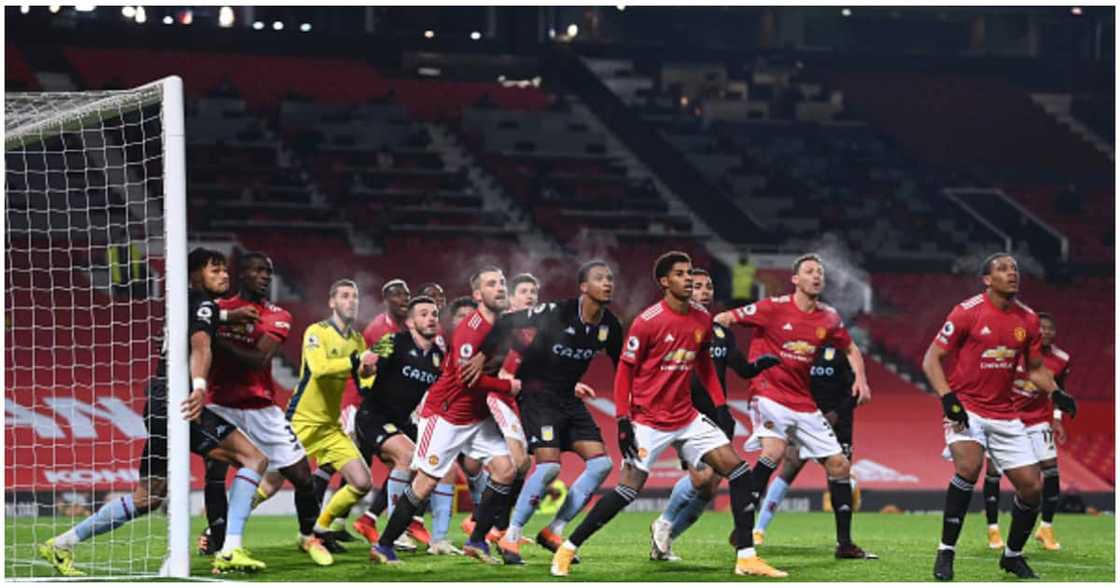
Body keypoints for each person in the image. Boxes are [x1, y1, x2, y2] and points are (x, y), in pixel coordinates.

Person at [551, 251, 785, 578]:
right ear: (664, 282)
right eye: (680, 274)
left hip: (686, 417)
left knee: (739, 472)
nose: (688, 279)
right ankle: (568, 547)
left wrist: (719, 406)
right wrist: (622, 421)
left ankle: (746, 557)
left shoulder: (702, 318)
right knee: (627, 490)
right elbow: (624, 373)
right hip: (649, 421)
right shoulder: (648, 323)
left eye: (690, 273)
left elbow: (703, 364)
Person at [39, 249, 269, 575]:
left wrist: (229, 317)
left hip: (158, 401)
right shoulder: (203, 305)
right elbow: (201, 343)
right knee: (254, 459)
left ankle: (60, 544)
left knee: (147, 498)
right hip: (180, 402)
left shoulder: (187, 303)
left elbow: (204, 320)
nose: (224, 276)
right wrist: (200, 385)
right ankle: (230, 548)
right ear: (194, 275)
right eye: (215, 270)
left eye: (224, 271)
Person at [922, 253, 1077, 581]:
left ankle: (1012, 555)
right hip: (967, 407)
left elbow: (1035, 369)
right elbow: (931, 359)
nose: (1012, 273)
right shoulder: (967, 312)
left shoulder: (1029, 319)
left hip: (1006, 413)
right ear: (987, 279)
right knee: (969, 467)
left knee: (1032, 488)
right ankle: (946, 552)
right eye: (1003, 269)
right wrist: (948, 398)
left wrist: (1056, 393)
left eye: (1015, 268)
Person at [714, 253, 875, 561]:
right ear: (795, 279)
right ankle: (745, 529)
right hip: (768, 393)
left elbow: (850, 347)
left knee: (840, 466)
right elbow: (724, 320)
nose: (817, 276)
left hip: (803, 402)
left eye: (820, 272)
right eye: (810, 271)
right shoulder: (772, 308)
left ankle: (845, 545)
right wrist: (723, 355)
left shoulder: (828, 317)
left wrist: (861, 380)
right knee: (773, 453)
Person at [467, 261, 624, 565]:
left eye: (610, 279)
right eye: (599, 279)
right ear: (583, 287)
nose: (607, 283)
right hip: (537, 396)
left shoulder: (610, 326)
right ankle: (511, 536)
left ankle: (555, 530)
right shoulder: (558, 312)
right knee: (549, 467)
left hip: (568, 398)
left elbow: (623, 369)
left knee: (602, 465)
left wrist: (629, 408)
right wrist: (483, 355)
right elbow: (505, 323)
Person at [370, 267, 521, 565]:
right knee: (425, 481)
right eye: (492, 284)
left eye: (503, 282)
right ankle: (384, 545)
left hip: (477, 415)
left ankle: (477, 541)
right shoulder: (470, 328)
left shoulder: (505, 326)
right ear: (478, 295)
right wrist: (508, 385)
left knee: (506, 469)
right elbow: (466, 379)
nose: (500, 287)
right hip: (446, 415)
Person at [197, 252, 333, 566]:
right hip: (221, 405)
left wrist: (214, 337)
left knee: (303, 478)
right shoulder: (218, 309)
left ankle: (307, 536)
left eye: (268, 272)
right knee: (214, 474)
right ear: (240, 274)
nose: (264, 276)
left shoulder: (277, 315)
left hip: (262, 409)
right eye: (257, 270)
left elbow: (257, 359)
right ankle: (220, 542)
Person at [651, 267, 780, 561]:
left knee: (709, 489)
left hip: (719, 415)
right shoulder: (674, 326)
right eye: (697, 286)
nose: (704, 290)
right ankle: (664, 522)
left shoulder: (720, 332)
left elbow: (742, 369)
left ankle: (666, 540)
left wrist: (760, 365)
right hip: (686, 413)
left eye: (708, 286)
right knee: (701, 479)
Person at [285, 279, 379, 557]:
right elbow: (320, 369)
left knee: (362, 483)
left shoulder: (357, 340)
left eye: (355, 297)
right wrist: (356, 362)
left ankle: (320, 528)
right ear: (332, 302)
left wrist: (371, 373)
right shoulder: (317, 331)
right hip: (301, 419)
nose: (351, 301)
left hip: (330, 425)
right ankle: (221, 532)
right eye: (345, 296)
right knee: (271, 480)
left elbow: (362, 384)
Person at [981, 311, 1072, 551]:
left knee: (1051, 470)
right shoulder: (1013, 353)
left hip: (1037, 420)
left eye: (1050, 329)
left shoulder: (1061, 359)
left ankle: (1046, 527)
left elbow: (1060, 389)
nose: (1046, 333)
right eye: (1041, 328)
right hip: (1006, 418)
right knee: (993, 472)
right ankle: (993, 530)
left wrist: (1057, 417)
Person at [752, 342, 858, 545]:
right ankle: (759, 529)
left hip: (838, 425)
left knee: (838, 476)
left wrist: (836, 414)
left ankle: (843, 540)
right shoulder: (799, 350)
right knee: (789, 466)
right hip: (804, 417)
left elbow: (854, 392)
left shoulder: (842, 354)